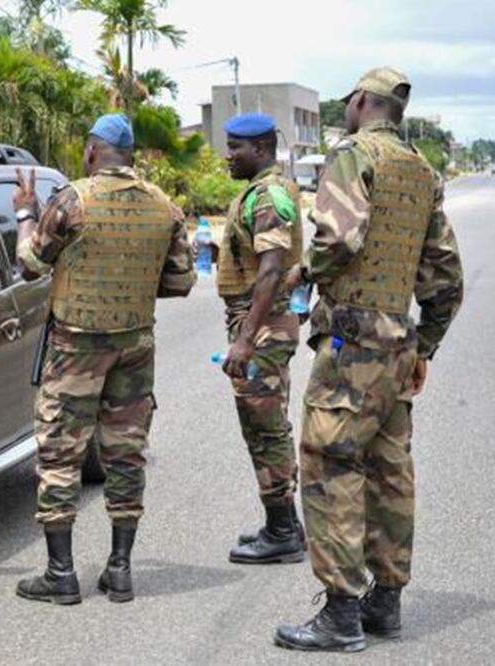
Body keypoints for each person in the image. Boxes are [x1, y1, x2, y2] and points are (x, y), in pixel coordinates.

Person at [274, 68, 463, 652]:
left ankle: (340, 615)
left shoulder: (353, 155)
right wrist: (423, 347)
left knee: (331, 466)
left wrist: (304, 275)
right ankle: (386, 603)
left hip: (351, 344)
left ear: (360, 102)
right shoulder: (421, 170)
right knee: (389, 472)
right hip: (397, 345)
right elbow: (446, 278)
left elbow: (338, 241)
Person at [12, 113, 195, 605]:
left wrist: (26, 213)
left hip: (75, 348)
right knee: (125, 454)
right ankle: (119, 570)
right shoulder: (165, 208)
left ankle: (60, 573)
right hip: (134, 347)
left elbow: (28, 262)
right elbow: (180, 283)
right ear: (130, 155)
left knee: (59, 453)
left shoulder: (71, 201)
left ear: (93, 152)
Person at [211, 113, 306, 565]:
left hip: (263, 325)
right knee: (267, 425)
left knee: (264, 427)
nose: (228, 156)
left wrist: (246, 338)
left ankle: (283, 530)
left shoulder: (267, 195)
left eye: (236, 147)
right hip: (264, 321)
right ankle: (281, 523)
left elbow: (271, 269)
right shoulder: (266, 191)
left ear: (262, 150)